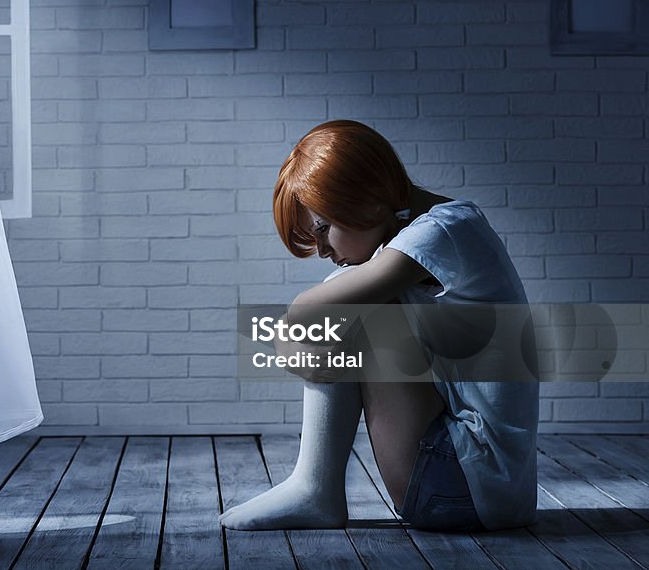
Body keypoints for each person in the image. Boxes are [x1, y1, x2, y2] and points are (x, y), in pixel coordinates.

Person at [219, 120, 538, 532]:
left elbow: (310, 310)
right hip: (488, 493)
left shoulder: (443, 230)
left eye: (321, 229)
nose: (321, 250)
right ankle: (312, 487)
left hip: (458, 487)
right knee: (350, 293)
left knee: (354, 305)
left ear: (368, 202)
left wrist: (287, 336)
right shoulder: (433, 234)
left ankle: (314, 488)